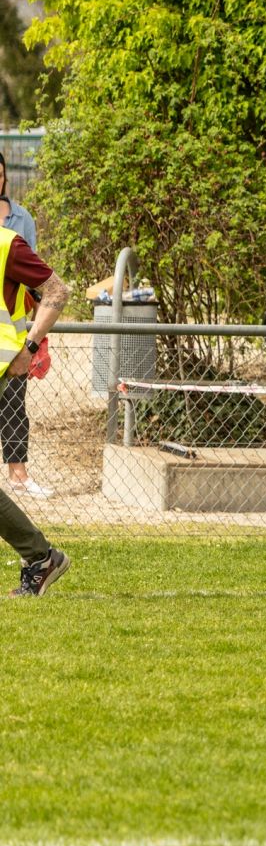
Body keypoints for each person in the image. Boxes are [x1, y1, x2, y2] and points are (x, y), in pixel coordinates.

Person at [0, 205, 71, 597]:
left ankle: (40, 557)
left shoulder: (8, 244)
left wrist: (29, 347)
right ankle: (41, 557)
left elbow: (57, 291)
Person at [0, 151, 50, 499]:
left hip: (11, 334)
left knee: (14, 406)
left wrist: (36, 337)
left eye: (0, 173)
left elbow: (38, 279)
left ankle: (18, 476)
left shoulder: (21, 219)